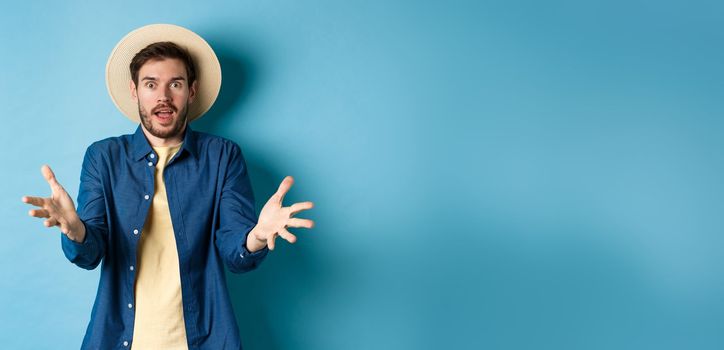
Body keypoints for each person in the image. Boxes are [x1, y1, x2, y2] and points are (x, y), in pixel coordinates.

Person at [21, 24, 314, 349]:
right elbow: (90, 255)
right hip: (118, 339)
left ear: (191, 90)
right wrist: (76, 230)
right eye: (151, 84)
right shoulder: (103, 157)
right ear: (135, 91)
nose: (163, 96)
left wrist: (257, 236)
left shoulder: (222, 156)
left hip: (204, 339)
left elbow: (236, 255)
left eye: (175, 84)